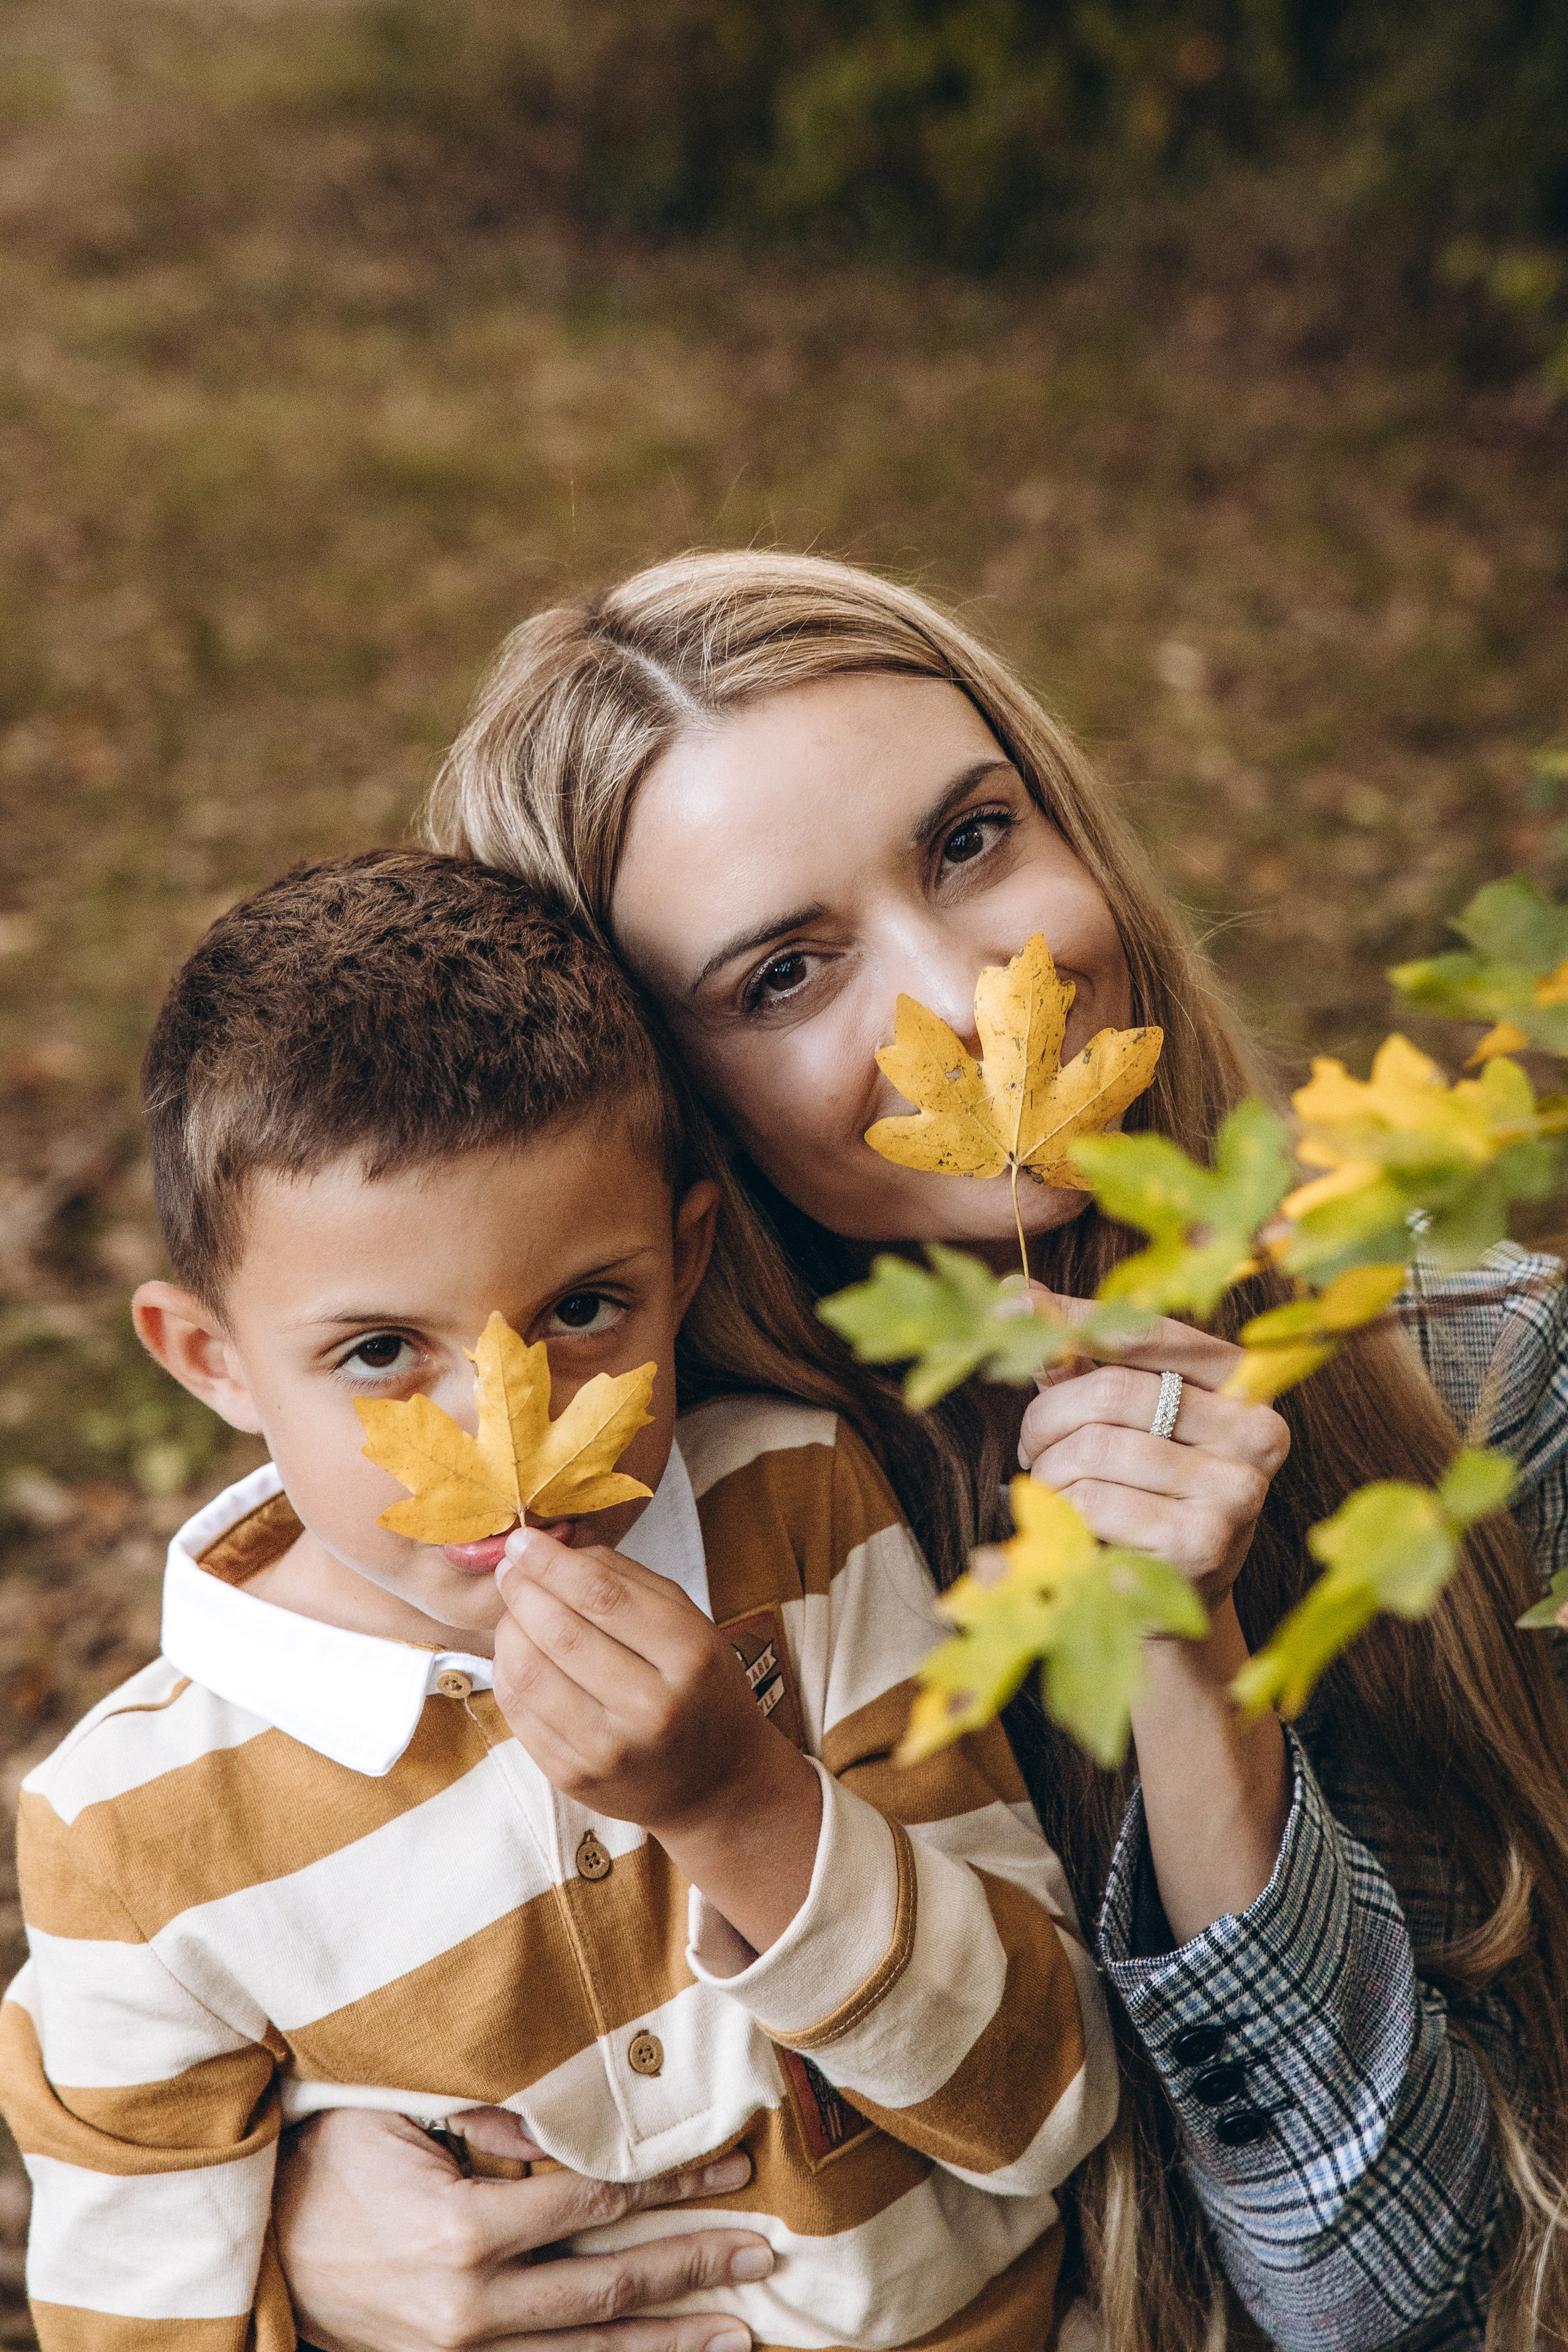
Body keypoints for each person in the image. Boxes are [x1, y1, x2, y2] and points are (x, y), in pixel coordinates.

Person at [271, 554, 1568, 2352]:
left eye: (969, 842)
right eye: (789, 973)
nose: (968, 996)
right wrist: (298, 2212)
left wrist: (1196, 1674)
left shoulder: (1485, 1379)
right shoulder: (611, 1558)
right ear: (659, 1094)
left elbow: (1402, 2305)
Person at [0, 850, 1118, 2352]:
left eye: (584, 1312)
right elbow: (131, 2320)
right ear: (209, 1360)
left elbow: (1048, 2099)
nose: (501, 1435)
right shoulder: (131, 1836)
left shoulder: (793, 1515)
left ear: (684, 1260)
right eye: (381, 1352)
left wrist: (740, 1808)